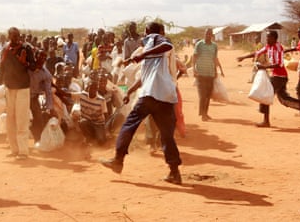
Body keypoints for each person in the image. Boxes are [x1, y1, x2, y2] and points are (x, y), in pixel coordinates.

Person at [100, 22, 182, 185]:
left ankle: (118, 159)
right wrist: (129, 91)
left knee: (129, 124)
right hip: (165, 96)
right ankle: (174, 172)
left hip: (151, 94)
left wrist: (142, 55)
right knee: (167, 136)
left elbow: (166, 45)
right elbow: (144, 77)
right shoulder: (150, 54)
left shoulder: (155, 38)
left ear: (147, 32)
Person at [237, 30, 300, 127]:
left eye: (269, 37)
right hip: (276, 76)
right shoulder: (268, 46)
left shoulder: (278, 48)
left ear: (274, 39)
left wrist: (264, 67)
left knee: (265, 95)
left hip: (280, 76)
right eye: (267, 37)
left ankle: (266, 121)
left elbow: (279, 64)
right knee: (285, 99)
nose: (267, 39)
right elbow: (257, 53)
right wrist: (244, 57)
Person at [0, 27, 36, 160]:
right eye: (13, 36)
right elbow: (2, 66)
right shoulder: (6, 49)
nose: (16, 38)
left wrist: (24, 62)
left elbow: (33, 66)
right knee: (10, 120)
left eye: (17, 35)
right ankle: (14, 149)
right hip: (9, 87)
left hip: (22, 88)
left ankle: (23, 151)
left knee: (21, 120)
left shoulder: (26, 48)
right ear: (9, 36)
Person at [193, 28, 224, 121]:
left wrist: (216, 71)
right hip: (200, 74)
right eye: (206, 34)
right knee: (202, 95)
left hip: (210, 73)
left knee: (208, 95)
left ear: (212, 35)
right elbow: (194, 57)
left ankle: (205, 113)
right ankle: (203, 114)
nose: (207, 36)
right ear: (204, 34)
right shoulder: (199, 44)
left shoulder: (214, 46)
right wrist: (194, 69)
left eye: (209, 34)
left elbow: (215, 59)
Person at [29, 49, 53, 145]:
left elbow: (48, 91)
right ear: (35, 56)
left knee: (38, 119)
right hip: (22, 96)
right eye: (40, 56)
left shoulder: (46, 74)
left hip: (34, 98)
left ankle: (37, 140)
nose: (42, 59)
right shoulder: (27, 66)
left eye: (44, 57)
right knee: (21, 119)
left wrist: (49, 107)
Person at [73, 80, 108, 146]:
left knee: (101, 142)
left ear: (96, 90)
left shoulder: (101, 100)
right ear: (88, 88)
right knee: (82, 122)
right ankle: (88, 138)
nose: (92, 90)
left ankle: (99, 135)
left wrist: (105, 128)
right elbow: (68, 94)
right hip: (87, 121)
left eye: (94, 88)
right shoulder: (82, 95)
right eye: (91, 88)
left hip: (98, 123)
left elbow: (106, 114)